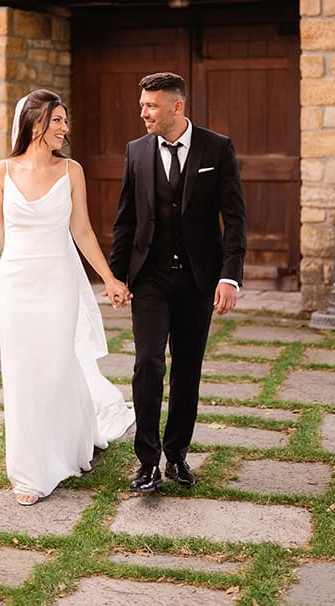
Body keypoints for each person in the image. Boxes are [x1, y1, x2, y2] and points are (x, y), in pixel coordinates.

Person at [0, 89, 134, 506]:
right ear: (35, 124)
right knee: (20, 374)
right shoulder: (2, 171)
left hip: (58, 283)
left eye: (66, 121)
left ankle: (67, 445)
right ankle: (30, 472)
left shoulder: (72, 171)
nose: (65, 128)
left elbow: (81, 230)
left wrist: (109, 278)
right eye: (58, 120)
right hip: (14, 286)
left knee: (54, 368)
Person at [110, 72, 246, 493]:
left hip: (197, 280)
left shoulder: (217, 148)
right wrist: (117, 275)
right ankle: (147, 461)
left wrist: (230, 276)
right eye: (142, 105)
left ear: (176, 107)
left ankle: (177, 456)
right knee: (148, 362)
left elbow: (235, 218)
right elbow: (126, 219)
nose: (143, 113)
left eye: (151, 105)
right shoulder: (136, 151)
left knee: (188, 368)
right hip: (149, 277)